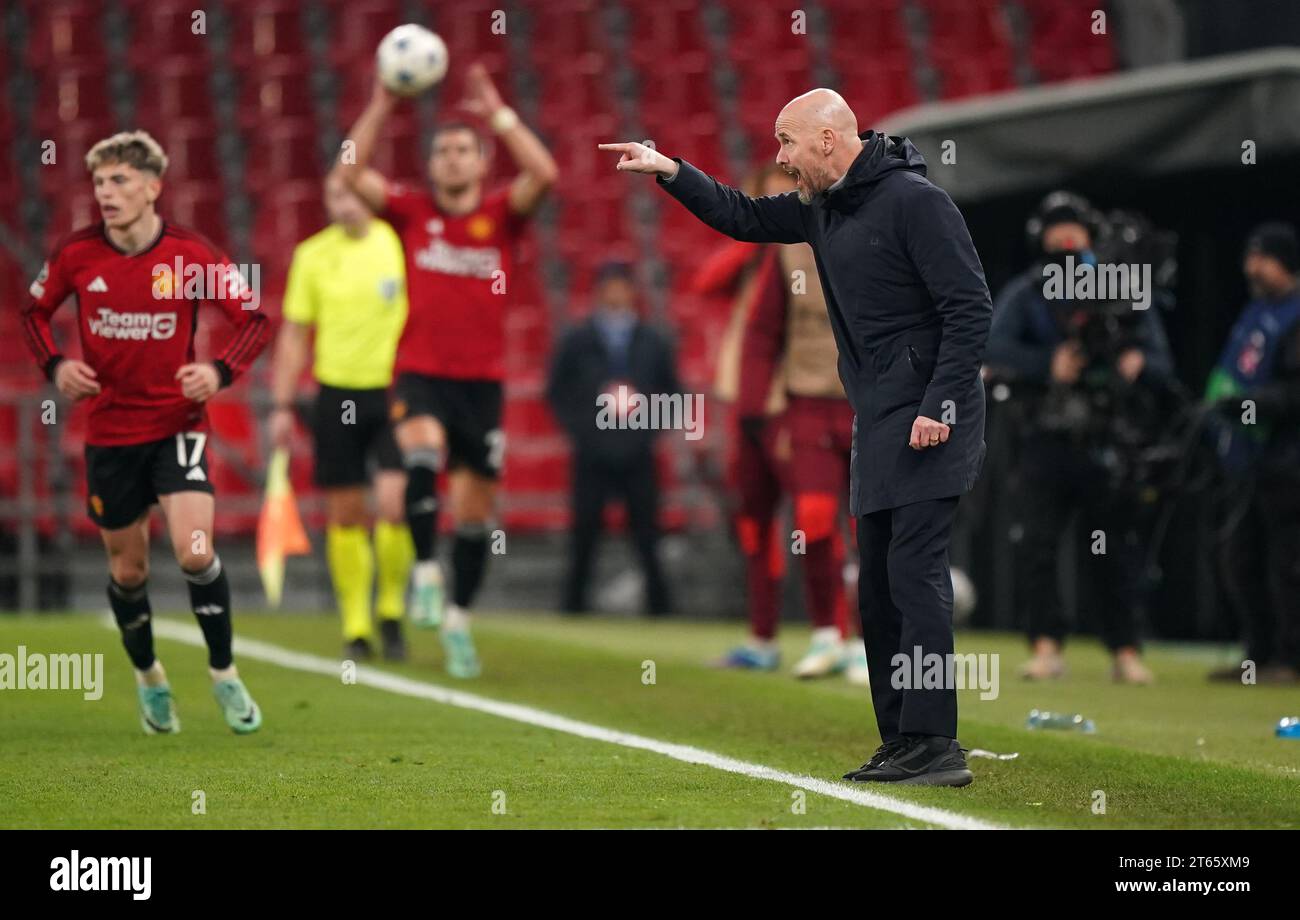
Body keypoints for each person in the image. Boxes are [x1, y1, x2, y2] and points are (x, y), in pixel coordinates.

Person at [600, 87, 990, 787]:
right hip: (878, 421)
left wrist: (942, 404)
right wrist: (669, 169)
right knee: (876, 588)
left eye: (787, 142)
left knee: (915, 577)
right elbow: (744, 217)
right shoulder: (822, 207)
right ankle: (901, 738)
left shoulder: (915, 202)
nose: (779, 158)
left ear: (830, 141)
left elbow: (969, 308)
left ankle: (938, 744)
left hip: (933, 421)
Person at [20, 130, 271, 734]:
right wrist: (56, 366)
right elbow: (32, 314)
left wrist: (219, 370)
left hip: (177, 427)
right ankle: (150, 678)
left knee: (196, 552)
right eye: (100, 182)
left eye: (120, 181)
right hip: (110, 434)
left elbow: (254, 318)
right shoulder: (77, 254)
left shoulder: (190, 257)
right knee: (128, 573)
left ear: (153, 187)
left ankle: (223, 672)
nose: (106, 193)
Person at [335, 63, 557, 677]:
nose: (453, 159)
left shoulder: (500, 217)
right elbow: (349, 172)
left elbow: (545, 173)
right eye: (442, 151)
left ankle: (458, 618)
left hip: (482, 384)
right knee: (421, 456)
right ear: (430, 164)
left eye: (464, 150)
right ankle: (425, 574)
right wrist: (381, 102)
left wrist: (501, 116)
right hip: (420, 373)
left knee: (476, 511)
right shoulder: (409, 212)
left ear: (482, 163)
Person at [985, 192, 1173, 685]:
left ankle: (1125, 649)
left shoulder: (1121, 289)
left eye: (1074, 226)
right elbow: (991, 346)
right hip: (1045, 437)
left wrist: (1137, 365)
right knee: (1036, 545)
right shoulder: (1028, 292)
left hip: (1108, 439)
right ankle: (1046, 646)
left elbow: (1162, 364)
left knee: (1115, 550)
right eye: (1055, 228)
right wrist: (1048, 365)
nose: (1065, 236)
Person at [704, 165, 865, 684]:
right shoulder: (777, 252)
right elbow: (740, 315)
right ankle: (812, 635)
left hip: (864, 405)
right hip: (793, 405)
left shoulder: (879, 240)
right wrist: (756, 227)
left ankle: (866, 640)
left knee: (872, 528)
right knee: (804, 518)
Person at [268, 173, 414, 662]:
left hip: (392, 392)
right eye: (335, 195)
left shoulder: (397, 243)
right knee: (346, 512)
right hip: (337, 395)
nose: (345, 204)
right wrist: (283, 405)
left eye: (353, 194)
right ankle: (356, 623)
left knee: (395, 503)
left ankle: (391, 610)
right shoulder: (312, 255)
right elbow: (293, 334)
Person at [546, 262, 680, 615]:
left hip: (637, 453)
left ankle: (660, 609)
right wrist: (583, 431)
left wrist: (648, 431)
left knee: (647, 534)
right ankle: (572, 606)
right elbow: (557, 391)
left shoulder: (653, 340)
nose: (617, 294)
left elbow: (673, 392)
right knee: (584, 533)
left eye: (623, 287)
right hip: (592, 453)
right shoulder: (578, 340)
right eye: (611, 287)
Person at [1205, 222, 1300, 684]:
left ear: (1285, 261)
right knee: (1240, 558)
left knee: (1288, 564)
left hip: (1288, 459)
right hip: (1250, 462)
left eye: (1262, 257)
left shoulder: (1296, 314)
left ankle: (1289, 658)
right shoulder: (1256, 313)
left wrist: (1249, 404)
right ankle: (1257, 656)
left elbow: (1293, 391)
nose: (1252, 268)